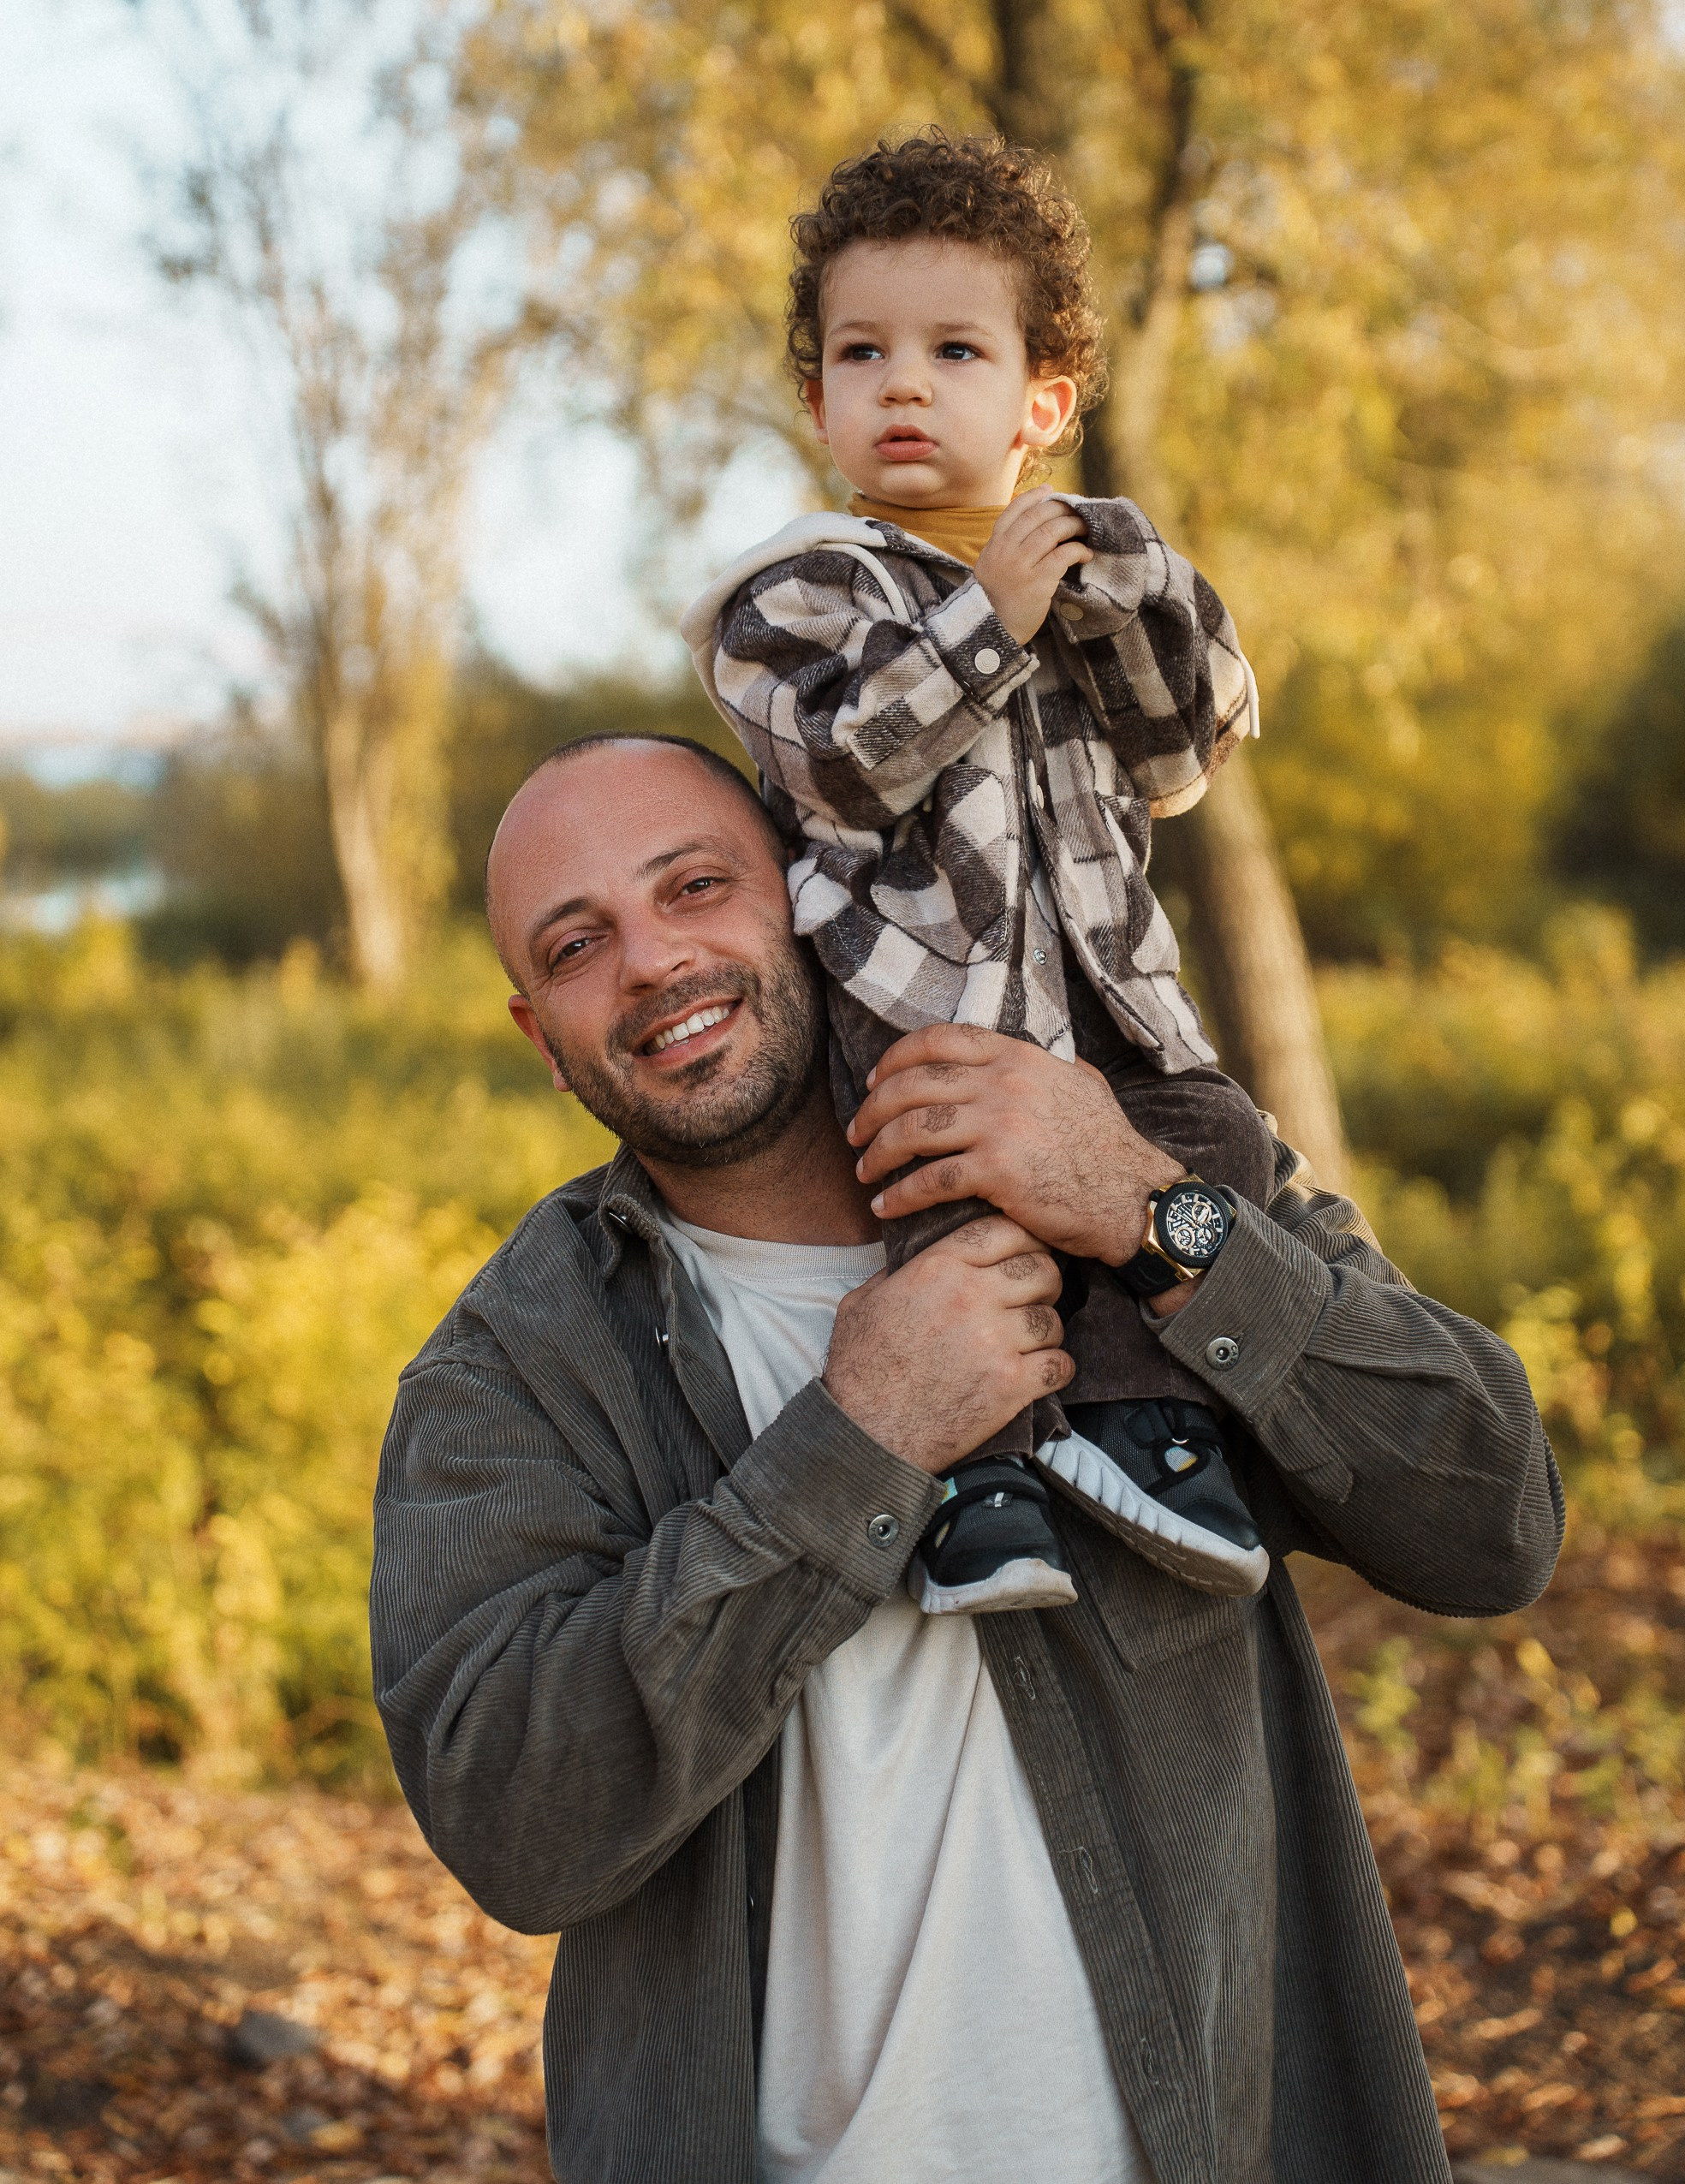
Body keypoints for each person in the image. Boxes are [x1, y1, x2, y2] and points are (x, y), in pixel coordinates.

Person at [370, 735, 1563, 2184]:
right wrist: (852, 1445)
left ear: (812, 898)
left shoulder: (1121, 1142)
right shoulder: (515, 1367)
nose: (651, 961)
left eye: (695, 886)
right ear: (538, 1038)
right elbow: (518, 1822)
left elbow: (1491, 1518)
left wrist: (1152, 1215)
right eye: (578, 945)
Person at [680, 131, 1273, 1620]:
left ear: (1040, 403)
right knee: (964, 1215)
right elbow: (843, 762)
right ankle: (976, 1482)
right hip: (923, 993)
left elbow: (1176, 753)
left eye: (954, 350)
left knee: (1218, 1149)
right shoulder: (796, 591)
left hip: (1107, 997)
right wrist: (987, 623)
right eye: (860, 352)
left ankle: (1148, 1430)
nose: (901, 384)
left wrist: (1130, 588)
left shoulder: (1068, 579)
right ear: (815, 397)